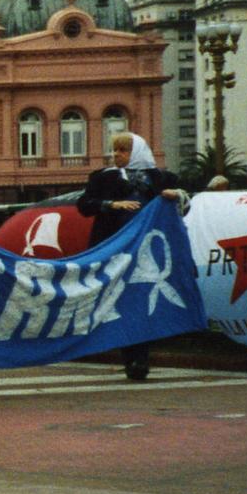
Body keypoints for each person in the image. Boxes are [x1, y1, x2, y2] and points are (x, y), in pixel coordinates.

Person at [77, 133, 186, 380]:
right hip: (115, 249)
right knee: (121, 301)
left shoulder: (160, 178)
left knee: (142, 299)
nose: (116, 156)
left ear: (135, 152)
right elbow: (84, 205)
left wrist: (175, 195)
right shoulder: (104, 177)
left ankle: (141, 357)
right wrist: (112, 205)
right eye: (114, 151)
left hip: (149, 254)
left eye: (122, 151)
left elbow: (185, 205)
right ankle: (131, 357)